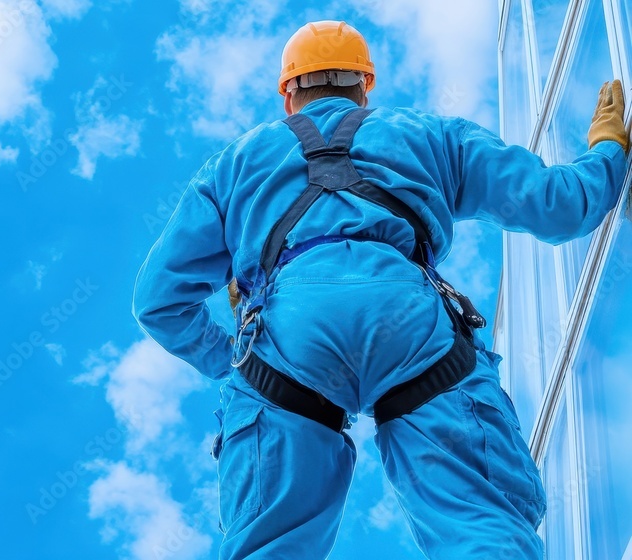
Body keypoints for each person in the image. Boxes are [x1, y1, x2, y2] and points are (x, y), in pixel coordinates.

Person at [132, 20, 630, 560]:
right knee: (480, 525)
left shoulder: (234, 162)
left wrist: (232, 361)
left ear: (289, 96)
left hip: (286, 335)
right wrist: (607, 149)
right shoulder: (432, 135)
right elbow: (560, 206)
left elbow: (158, 301)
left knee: (266, 547)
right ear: (365, 86)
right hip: (412, 323)